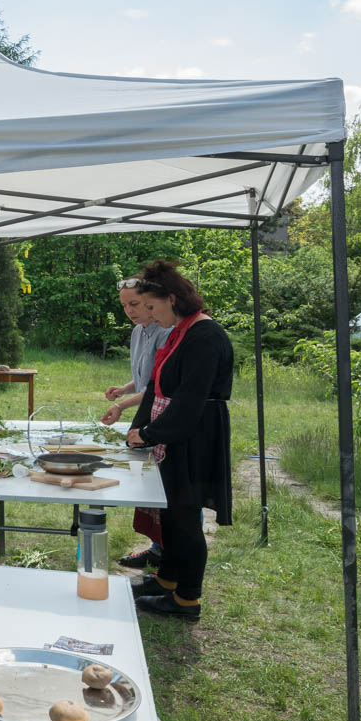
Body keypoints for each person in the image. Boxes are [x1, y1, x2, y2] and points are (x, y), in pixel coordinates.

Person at [124, 260, 233, 623]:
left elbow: (189, 400)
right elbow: (156, 385)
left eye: (152, 307)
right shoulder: (180, 331)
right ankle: (167, 580)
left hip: (195, 435)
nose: (150, 316)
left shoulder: (205, 335)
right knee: (170, 513)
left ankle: (187, 599)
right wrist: (139, 429)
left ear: (172, 299)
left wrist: (151, 433)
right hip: (175, 432)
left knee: (186, 517)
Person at [100, 276, 171, 569]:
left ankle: (172, 553)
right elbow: (144, 377)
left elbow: (158, 387)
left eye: (135, 304)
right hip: (146, 416)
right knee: (152, 485)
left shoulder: (166, 332)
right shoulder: (137, 333)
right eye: (124, 305)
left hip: (165, 418)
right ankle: (158, 549)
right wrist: (125, 388)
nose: (129, 310)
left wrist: (120, 405)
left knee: (167, 489)